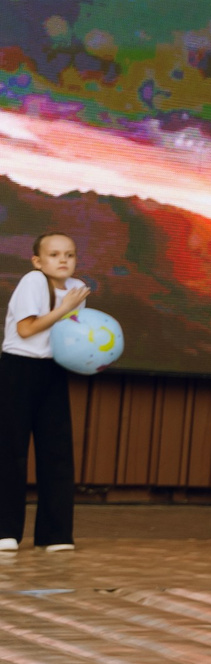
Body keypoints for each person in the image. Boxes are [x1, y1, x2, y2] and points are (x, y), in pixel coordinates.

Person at [1, 231, 87, 552]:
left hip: (53, 370)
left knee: (57, 452)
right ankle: (5, 531)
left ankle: (56, 535)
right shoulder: (33, 281)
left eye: (69, 254)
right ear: (38, 261)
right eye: (54, 254)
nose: (63, 260)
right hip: (19, 368)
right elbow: (26, 329)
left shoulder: (77, 289)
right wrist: (66, 307)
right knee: (11, 452)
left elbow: (71, 336)